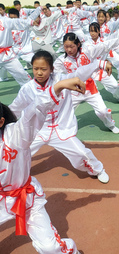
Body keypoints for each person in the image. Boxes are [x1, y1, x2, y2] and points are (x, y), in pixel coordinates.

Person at [0, 76, 84, 253]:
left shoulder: (15, 136)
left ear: (0, 122)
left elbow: (32, 111)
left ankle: (71, 250)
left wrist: (58, 87)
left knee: (50, 248)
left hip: (26, 198)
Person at [9, 50, 111, 183]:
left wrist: (100, 63)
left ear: (51, 69)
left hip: (62, 129)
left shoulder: (61, 79)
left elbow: (79, 73)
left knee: (82, 153)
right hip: (38, 131)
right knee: (16, 151)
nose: (39, 72)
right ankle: (10, 175)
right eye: (35, 69)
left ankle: (98, 170)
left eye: (43, 69)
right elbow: (15, 108)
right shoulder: (27, 89)